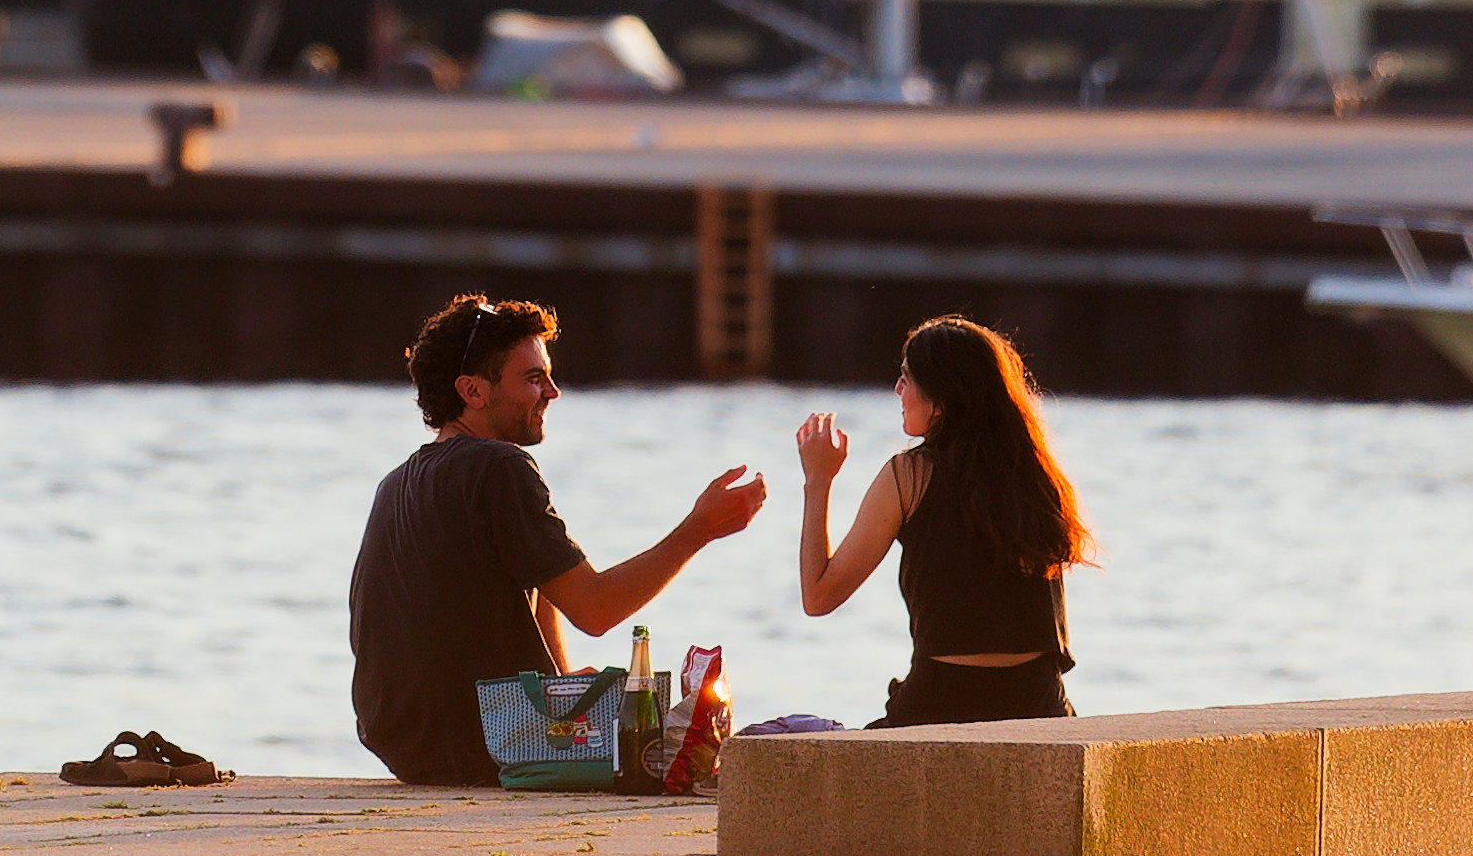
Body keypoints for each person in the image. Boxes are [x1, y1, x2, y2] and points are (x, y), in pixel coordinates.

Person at [347, 294, 767, 785]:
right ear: (473, 391)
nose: (553, 392)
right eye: (532, 378)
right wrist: (699, 530)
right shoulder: (499, 467)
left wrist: (564, 688)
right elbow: (596, 610)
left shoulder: (396, 482)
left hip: (406, 747)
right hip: (484, 744)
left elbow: (543, 586)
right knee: (714, 742)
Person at [791, 316, 1090, 727]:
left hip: (939, 703)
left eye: (906, 379)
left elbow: (819, 597)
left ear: (942, 397)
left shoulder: (909, 475)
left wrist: (817, 480)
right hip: (1038, 704)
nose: (897, 390)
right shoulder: (1037, 476)